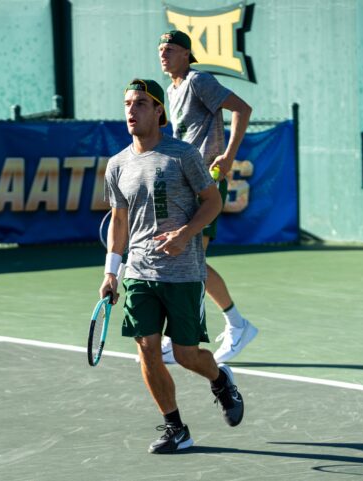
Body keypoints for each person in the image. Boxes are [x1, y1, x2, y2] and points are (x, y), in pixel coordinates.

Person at [100, 78, 244, 454]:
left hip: (183, 274)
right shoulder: (117, 165)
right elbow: (119, 221)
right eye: (127, 104)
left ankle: (220, 379)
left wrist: (186, 232)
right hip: (138, 272)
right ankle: (175, 427)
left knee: (185, 355)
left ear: (159, 110)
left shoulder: (183, 155)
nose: (131, 111)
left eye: (141, 104)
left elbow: (211, 203)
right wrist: (111, 271)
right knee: (146, 348)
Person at [157, 30, 258, 364]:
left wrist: (228, 155)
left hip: (207, 184)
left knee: (192, 262)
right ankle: (227, 327)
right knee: (190, 262)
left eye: (170, 49)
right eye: (160, 49)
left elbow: (242, 108)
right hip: (185, 183)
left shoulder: (199, 80)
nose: (163, 54)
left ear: (186, 54)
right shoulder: (172, 90)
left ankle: (229, 326)